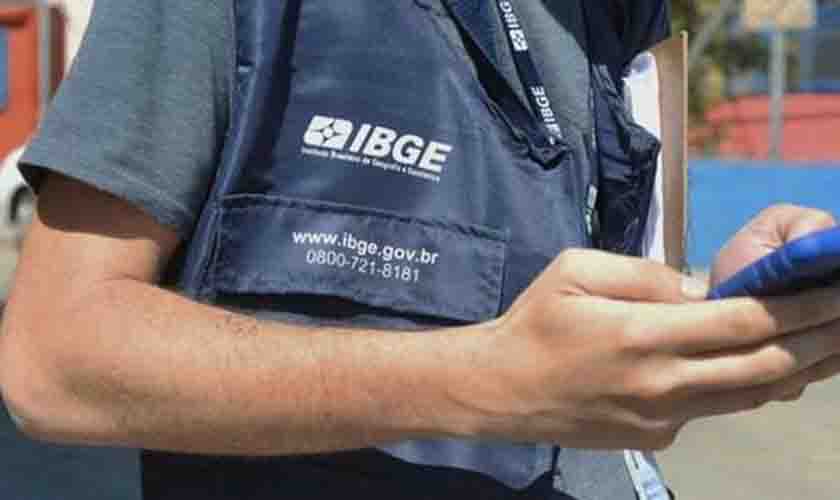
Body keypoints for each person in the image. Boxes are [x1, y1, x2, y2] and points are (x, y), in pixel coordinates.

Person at [2, 2, 839, 499]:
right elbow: (53, 359)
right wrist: (489, 382)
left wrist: (715, 308)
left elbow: (593, 328)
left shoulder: (623, 21)